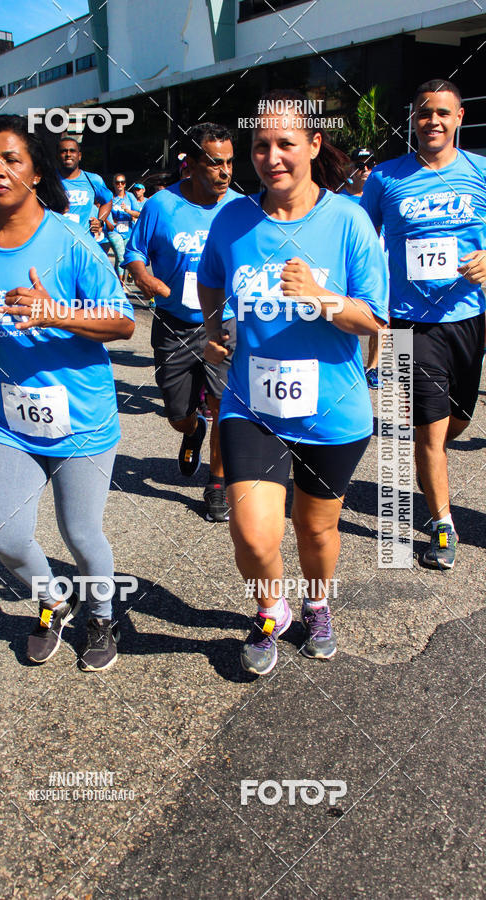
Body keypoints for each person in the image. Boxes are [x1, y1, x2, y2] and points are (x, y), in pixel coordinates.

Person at [197, 90, 388, 673]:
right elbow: (209, 279)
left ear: (313, 144)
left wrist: (322, 297)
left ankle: (318, 602)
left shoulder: (348, 218)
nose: (271, 156)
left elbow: (374, 319)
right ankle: (268, 608)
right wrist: (212, 330)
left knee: (316, 528)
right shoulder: (232, 217)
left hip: (332, 409)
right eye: (260, 145)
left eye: (285, 143)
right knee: (254, 537)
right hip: (250, 406)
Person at [0, 114, 135, 670]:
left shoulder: (70, 237)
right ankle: (53, 600)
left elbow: (124, 322)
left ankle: (102, 615)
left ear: (36, 170)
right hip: (8, 420)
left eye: (11, 159)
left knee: (80, 532)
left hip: (80, 416)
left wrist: (57, 311)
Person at [361, 78, 486, 570]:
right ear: (412, 120)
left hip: (469, 316)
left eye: (441, 113)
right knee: (430, 432)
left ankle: (431, 454)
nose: (431, 120)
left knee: (456, 422)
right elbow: (359, 236)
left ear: (459, 119)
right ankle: (442, 524)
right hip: (408, 322)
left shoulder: (480, 171)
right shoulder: (385, 178)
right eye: (422, 112)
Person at [124, 123, 240, 522]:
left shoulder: (240, 209)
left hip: (225, 322)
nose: (224, 172)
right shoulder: (161, 206)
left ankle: (217, 484)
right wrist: (143, 277)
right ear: (190, 165)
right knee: (177, 413)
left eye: (229, 163)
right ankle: (192, 430)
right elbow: (134, 250)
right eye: (214, 163)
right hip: (175, 323)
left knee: (225, 406)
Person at [340, 148, 383, 388]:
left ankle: (375, 368)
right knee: (346, 317)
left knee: (382, 319)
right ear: (350, 169)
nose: (365, 169)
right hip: (347, 269)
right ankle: (347, 365)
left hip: (380, 268)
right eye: (359, 164)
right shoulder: (338, 199)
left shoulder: (383, 196)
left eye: (370, 164)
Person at [56, 135, 112, 237]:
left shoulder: (93, 180)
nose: (68, 154)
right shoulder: (49, 180)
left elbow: (107, 201)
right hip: (57, 243)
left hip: (83, 243)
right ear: (57, 156)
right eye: (63, 151)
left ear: (79, 156)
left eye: (72, 151)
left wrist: (100, 221)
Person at [109, 174, 139, 284]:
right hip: (115, 231)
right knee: (120, 256)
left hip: (129, 231)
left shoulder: (130, 197)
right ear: (113, 184)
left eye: (122, 182)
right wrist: (111, 221)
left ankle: (126, 276)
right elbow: (105, 214)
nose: (120, 184)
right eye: (117, 182)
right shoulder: (110, 198)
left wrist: (127, 211)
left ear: (125, 184)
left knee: (127, 257)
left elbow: (139, 214)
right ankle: (121, 286)